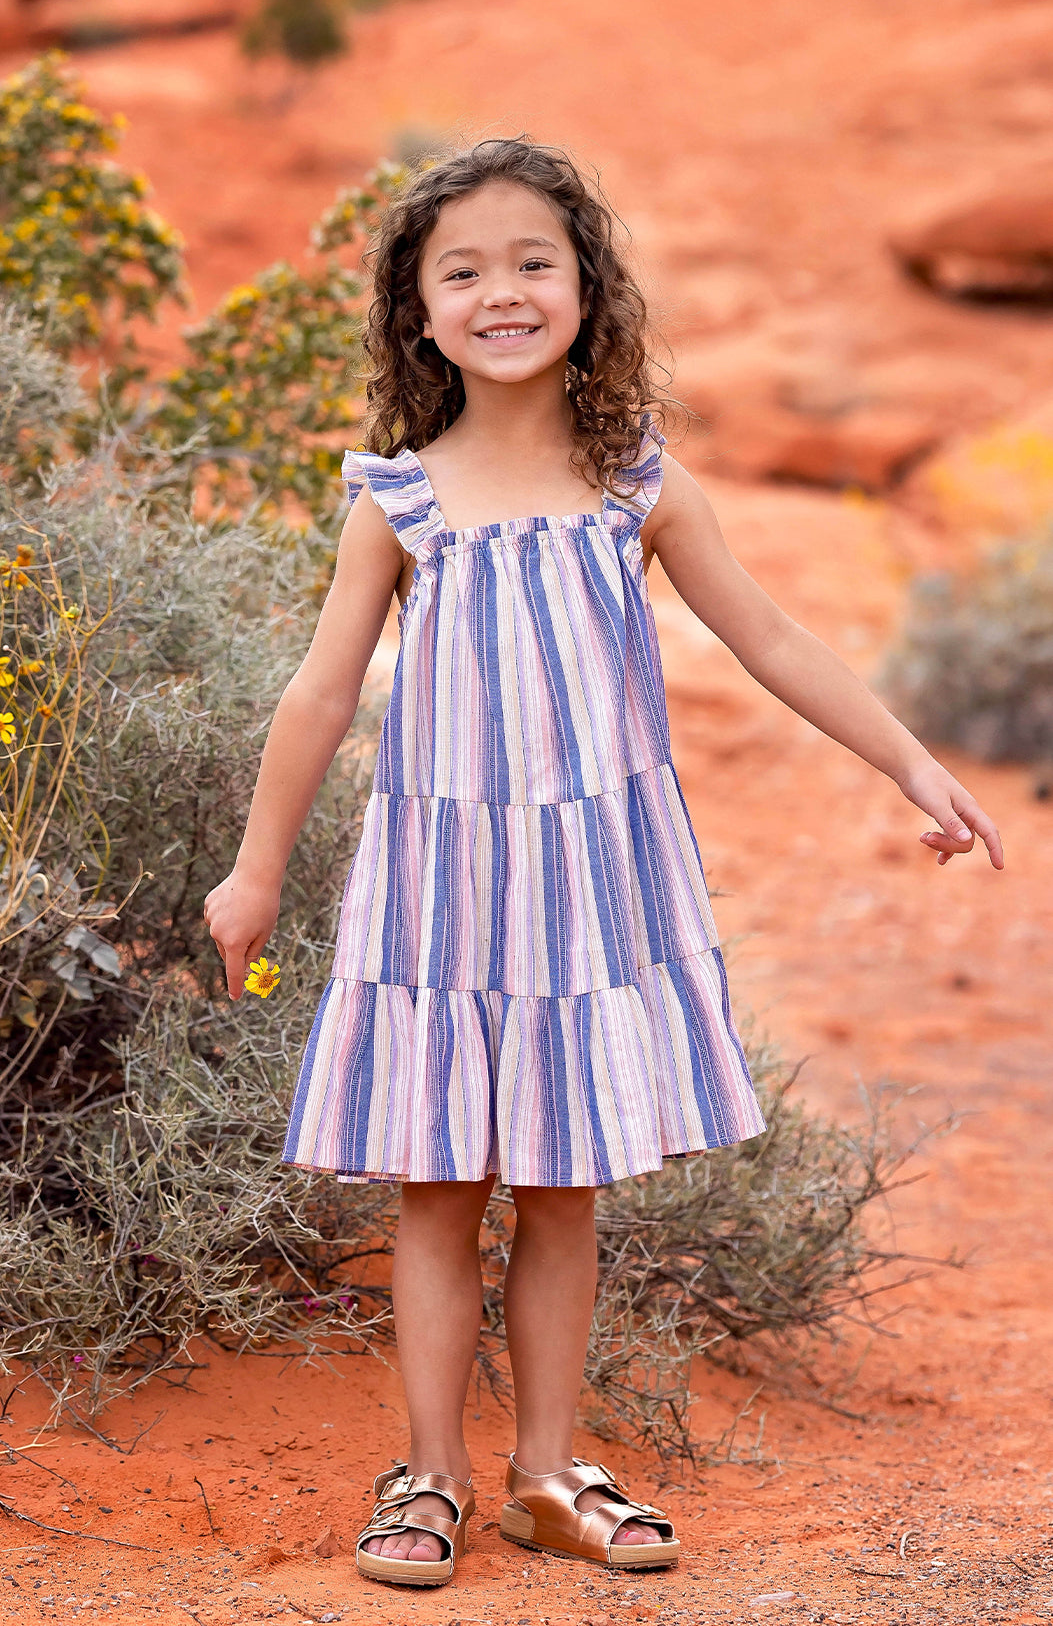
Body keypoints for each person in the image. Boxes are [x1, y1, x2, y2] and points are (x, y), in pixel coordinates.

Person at [203, 135, 1004, 1588]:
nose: (501, 291)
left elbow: (771, 638)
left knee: (563, 1188)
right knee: (437, 1187)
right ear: (418, 312)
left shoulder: (635, 483)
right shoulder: (399, 499)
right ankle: (430, 1472)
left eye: (534, 261)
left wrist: (908, 759)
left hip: (586, 898)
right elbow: (318, 695)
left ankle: (546, 1473)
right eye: (462, 271)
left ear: (586, 289)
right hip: (441, 893)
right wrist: (253, 874)